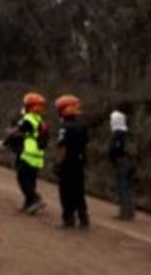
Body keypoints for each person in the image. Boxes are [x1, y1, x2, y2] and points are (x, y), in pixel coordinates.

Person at [6, 92, 48, 214]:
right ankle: (29, 204)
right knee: (31, 179)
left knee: (22, 178)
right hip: (37, 156)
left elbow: (16, 132)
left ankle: (35, 198)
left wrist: (5, 141)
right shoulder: (40, 120)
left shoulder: (28, 119)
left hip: (27, 153)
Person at [54, 94, 89, 230]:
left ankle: (68, 219)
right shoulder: (82, 127)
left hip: (67, 164)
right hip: (79, 162)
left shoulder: (64, 128)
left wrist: (58, 163)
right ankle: (83, 217)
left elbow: (62, 147)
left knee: (66, 191)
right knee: (79, 191)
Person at [108, 108, 136, 220]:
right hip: (131, 161)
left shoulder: (117, 134)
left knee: (122, 186)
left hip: (122, 161)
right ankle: (130, 211)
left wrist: (112, 158)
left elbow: (114, 149)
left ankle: (124, 213)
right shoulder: (127, 134)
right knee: (128, 187)